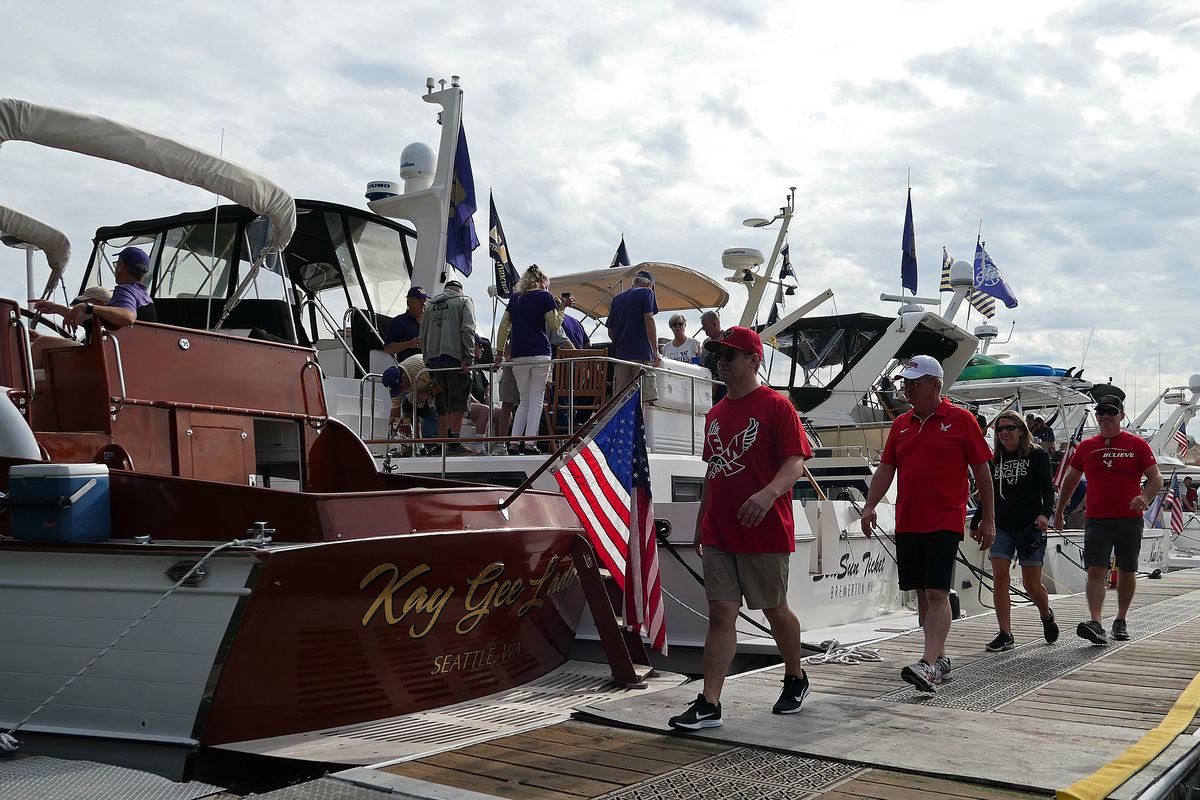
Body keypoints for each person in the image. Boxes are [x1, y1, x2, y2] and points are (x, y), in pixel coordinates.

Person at [668, 326, 813, 730]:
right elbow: (713, 473)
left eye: (730, 355)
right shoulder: (714, 413)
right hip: (719, 530)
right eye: (718, 354)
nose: (722, 361)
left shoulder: (776, 406)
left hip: (764, 529)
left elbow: (795, 462)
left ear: (753, 360)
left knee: (774, 610)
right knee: (720, 613)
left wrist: (767, 495)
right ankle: (710, 702)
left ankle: (795, 676)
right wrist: (700, 522)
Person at [860, 355, 995, 693]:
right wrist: (870, 505)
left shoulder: (961, 420)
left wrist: (989, 518)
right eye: (905, 382)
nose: (906, 387)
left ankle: (928, 663)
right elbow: (886, 469)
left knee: (936, 591)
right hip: (908, 521)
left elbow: (982, 470)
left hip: (945, 519)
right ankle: (940, 656)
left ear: (935, 385)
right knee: (922, 593)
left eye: (913, 382)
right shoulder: (900, 424)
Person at [1053, 394, 1161, 644]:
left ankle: (1121, 619)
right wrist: (1059, 511)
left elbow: (1156, 479)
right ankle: (1096, 622)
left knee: (1127, 569)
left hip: (1129, 518)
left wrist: (1144, 498)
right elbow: (1070, 479)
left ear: (1121, 416)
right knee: (1095, 569)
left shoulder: (1137, 445)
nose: (1105, 416)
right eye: (1101, 411)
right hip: (1097, 519)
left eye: (1111, 411)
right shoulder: (1087, 447)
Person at [969, 410, 1059, 651]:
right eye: (1000, 429)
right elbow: (989, 494)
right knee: (999, 576)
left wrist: (1045, 514)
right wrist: (976, 521)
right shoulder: (994, 459)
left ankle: (1045, 614)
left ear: (1021, 430)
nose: (1005, 433)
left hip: (1029, 527)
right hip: (1002, 526)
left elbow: (1048, 489)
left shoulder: (1037, 455)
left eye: (1010, 428)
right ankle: (1005, 633)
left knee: (1032, 585)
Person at [31, 247, 156, 364]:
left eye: (117, 264)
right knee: (44, 342)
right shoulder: (144, 298)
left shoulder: (125, 290)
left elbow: (128, 317)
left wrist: (88, 307)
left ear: (121, 266)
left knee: (40, 344)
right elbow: (92, 321)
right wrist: (56, 308)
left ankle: (27, 387)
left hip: (107, 359)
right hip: (129, 359)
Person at [494, 265, 562, 456]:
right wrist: (562, 310)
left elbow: (503, 326)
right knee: (535, 400)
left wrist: (499, 352)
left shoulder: (515, 298)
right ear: (541, 281)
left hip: (518, 354)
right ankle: (530, 443)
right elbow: (554, 324)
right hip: (540, 352)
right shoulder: (545, 297)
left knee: (523, 400)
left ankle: (514, 444)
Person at [420, 279, 477, 455]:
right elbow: (467, 329)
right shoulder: (464, 300)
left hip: (434, 358)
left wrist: (427, 359)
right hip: (454, 356)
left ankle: (442, 442)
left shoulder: (430, 305)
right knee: (458, 399)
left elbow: (423, 333)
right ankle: (454, 442)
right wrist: (469, 357)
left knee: (443, 400)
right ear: (459, 290)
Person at [607, 269, 660, 407]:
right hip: (641, 354)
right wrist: (655, 351)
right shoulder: (647, 292)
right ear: (650, 285)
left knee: (620, 400)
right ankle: (642, 429)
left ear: (633, 284)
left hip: (620, 356)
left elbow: (610, 331)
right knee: (644, 399)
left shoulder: (617, 299)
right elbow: (648, 318)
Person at [380, 354, 439, 455]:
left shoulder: (422, 369)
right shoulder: (396, 383)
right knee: (407, 406)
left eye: (401, 387)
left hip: (438, 388)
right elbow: (395, 411)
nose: (400, 391)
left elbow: (445, 382)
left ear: (403, 378)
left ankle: (432, 445)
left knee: (433, 408)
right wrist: (392, 438)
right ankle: (413, 445)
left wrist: (429, 393)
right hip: (421, 390)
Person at [384, 286, 428, 363]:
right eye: (419, 300)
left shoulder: (430, 321)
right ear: (409, 302)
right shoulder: (398, 322)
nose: (423, 304)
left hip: (429, 368)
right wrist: (409, 344)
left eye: (424, 300)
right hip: (408, 369)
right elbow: (388, 348)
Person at [700, 310, 725, 401]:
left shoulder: (727, 339)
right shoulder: (706, 342)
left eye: (704, 326)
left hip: (724, 386)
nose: (703, 329)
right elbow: (703, 364)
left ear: (714, 324)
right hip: (708, 384)